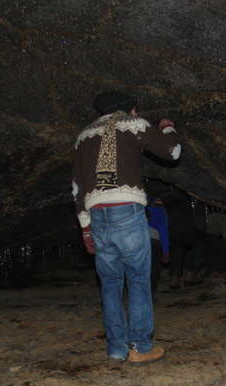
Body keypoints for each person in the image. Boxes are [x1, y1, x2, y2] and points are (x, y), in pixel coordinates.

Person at [71, 90, 181, 364]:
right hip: (127, 212)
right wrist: (168, 128)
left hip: (97, 216)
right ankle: (141, 348)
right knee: (139, 282)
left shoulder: (84, 135)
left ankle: (116, 349)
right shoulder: (133, 123)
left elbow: (76, 187)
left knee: (110, 284)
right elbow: (173, 152)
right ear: (131, 109)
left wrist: (85, 226)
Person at [146, 196, 170, 294]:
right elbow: (163, 231)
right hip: (154, 242)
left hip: (138, 242)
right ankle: (150, 293)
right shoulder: (160, 212)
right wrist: (165, 251)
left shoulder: (141, 210)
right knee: (154, 270)